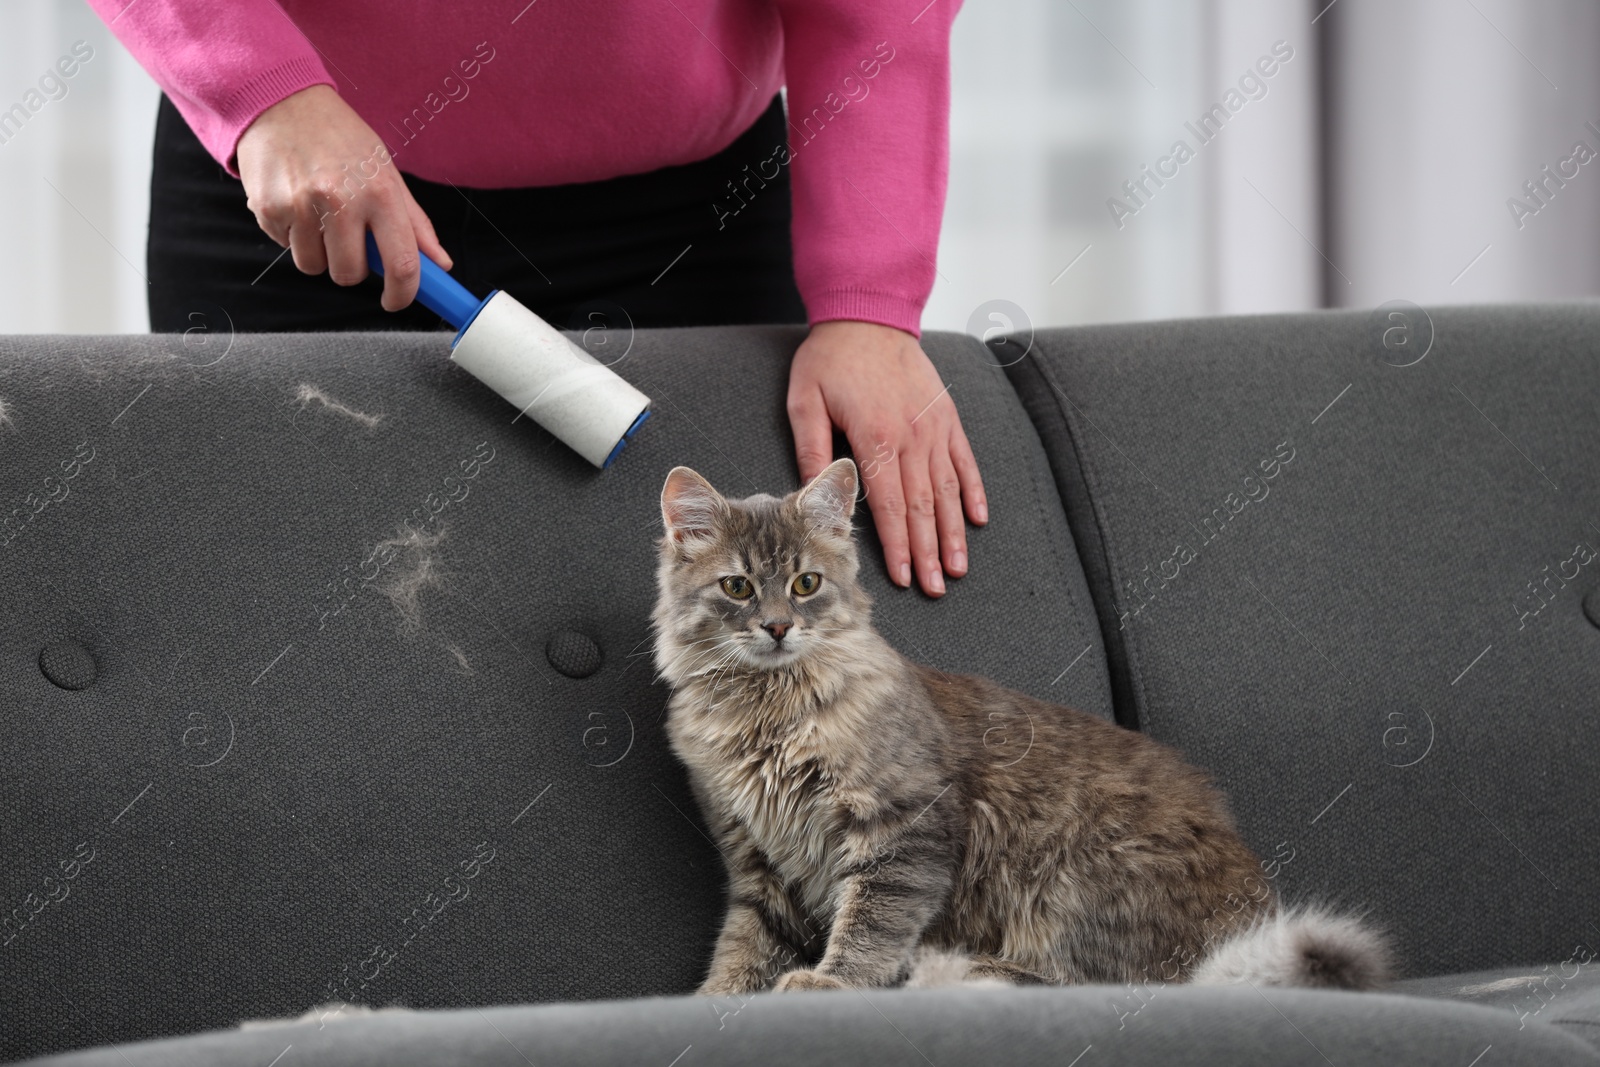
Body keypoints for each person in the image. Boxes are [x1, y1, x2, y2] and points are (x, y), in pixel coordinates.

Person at [90, 0, 988, 598]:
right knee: (283, 623)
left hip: (693, 222)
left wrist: (870, 299)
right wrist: (257, 89)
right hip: (304, 185)